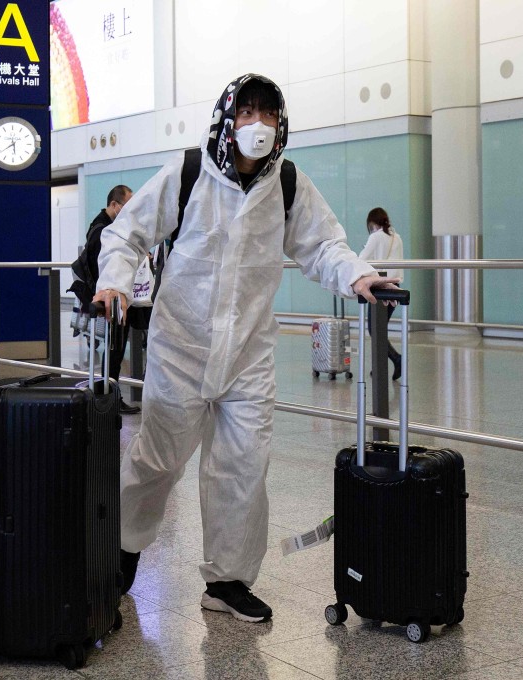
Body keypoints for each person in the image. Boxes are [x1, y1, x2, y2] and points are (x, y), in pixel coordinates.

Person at [92, 74, 399, 623]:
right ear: (227, 119)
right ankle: (118, 554)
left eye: (268, 114)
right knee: (157, 462)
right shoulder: (190, 173)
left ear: (280, 125)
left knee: (242, 468)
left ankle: (227, 582)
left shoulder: (288, 184)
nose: (257, 124)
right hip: (180, 347)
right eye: (247, 112)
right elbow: (127, 233)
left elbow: (323, 245)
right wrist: (113, 280)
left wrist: (358, 275)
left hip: (249, 355)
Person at [84, 185, 141, 414]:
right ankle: (109, 400)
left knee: (114, 350)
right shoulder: (103, 231)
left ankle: (111, 398)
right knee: (113, 350)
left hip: (110, 302)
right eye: (126, 206)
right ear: (114, 205)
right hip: (109, 303)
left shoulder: (104, 227)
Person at [359, 207, 404, 380]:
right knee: (379, 329)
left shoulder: (376, 236)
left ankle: (396, 358)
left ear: (372, 222)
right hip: (394, 287)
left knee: (375, 329)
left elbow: (361, 259)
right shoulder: (396, 238)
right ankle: (378, 367)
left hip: (379, 287)